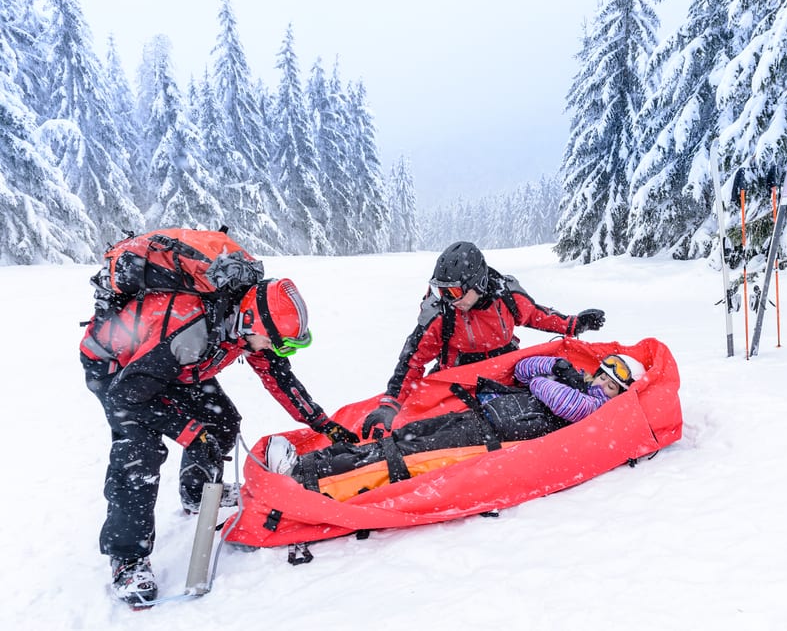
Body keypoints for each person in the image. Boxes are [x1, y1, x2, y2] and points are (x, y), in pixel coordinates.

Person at [80, 277, 357, 607]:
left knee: (221, 422)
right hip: (119, 371)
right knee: (140, 454)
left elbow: (280, 378)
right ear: (253, 323)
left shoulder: (242, 325)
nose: (274, 349)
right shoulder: (192, 330)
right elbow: (128, 396)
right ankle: (127, 560)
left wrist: (322, 422)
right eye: (276, 342)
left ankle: (197, 493)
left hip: (171, 365)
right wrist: (191, 431)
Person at [265, 353, 647, 493]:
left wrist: (545, 378)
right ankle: (313, 463)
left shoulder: (596, 411)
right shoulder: (577, 382)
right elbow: (523, 369)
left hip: (490, 438)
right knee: (397, 439)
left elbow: (557, 399)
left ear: (619, 394)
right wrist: (552, 364)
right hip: (482, 418)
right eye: (601, 375)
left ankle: (305, 478)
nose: (601, 383)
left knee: (399, 458)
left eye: (612, 384)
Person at [362, 241, 607, 440]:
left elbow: (536, 315)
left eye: (455, 292)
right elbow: (411, 361)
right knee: (442, 433)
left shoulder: (506, 295)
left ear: (477, 283)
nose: (448, 298)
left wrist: (575, 324)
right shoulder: (442, 313)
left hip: (506, 376)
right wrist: (390, 404)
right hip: (459, 382)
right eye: (441, 291)